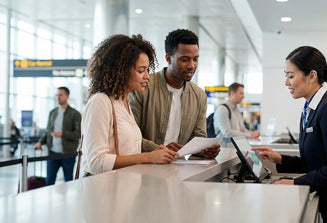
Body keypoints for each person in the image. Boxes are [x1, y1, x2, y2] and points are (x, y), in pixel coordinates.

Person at [252, 46, 327, 222]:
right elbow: (316, 162)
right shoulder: (310, 109)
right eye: (285, 76)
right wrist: (279, 159)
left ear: (311, 76)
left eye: (291, 76)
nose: (286, 82)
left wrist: (295, 183)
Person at [80, 34, 178, 176]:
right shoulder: (100, 102)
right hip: (103, 191)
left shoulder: (124, 102)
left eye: (147, 70)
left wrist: (154, 153)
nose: (147, 76)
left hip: (124, 188)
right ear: (121, 70)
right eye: (141, 70)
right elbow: (96, 162)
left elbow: (128, 152)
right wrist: (148, 157)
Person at [130, 29, 220, 159]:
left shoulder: (199, 95)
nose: (192, 65)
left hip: (178, 167)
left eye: (195, 59)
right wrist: (158, 149)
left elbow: (198, 137)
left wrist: (205, 150)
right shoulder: (143, 87)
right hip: (144, 165)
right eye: (185, 60)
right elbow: (131, 134)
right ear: (168, 58)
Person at [34, 87, 81, 185]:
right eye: (57, 95)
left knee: (68, 181)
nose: (58, 97)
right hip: (52, 153)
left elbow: (78, 134)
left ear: (67, 97)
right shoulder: (53, 112)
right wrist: (40, 142)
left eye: (60, 95)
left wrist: (63, 134)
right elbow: (48, 132)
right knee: (49, 182)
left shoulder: (75, 114)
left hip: (68, 153)